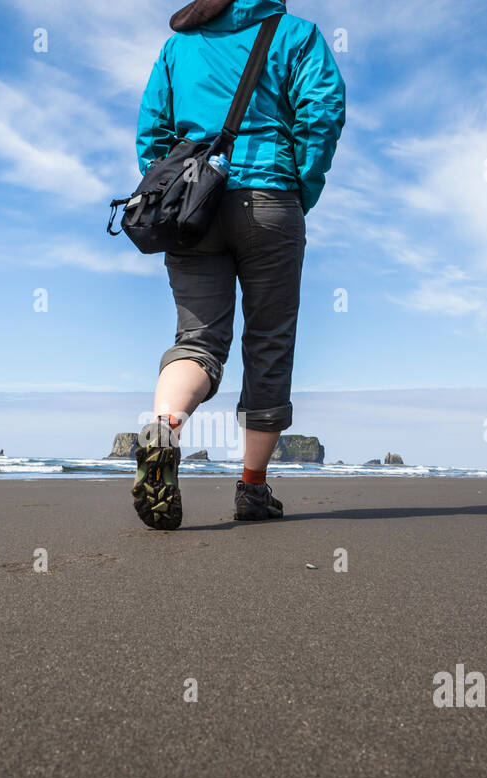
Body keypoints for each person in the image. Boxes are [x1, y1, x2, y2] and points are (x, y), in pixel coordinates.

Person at [130, 0, 345, 530]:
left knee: (197, 339)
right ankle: (252, 490)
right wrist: (300, 187)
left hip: (193, 207)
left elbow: (152, 132)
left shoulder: (179, 45)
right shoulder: (296, 34)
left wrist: (183, 192)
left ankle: (163, 428)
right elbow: (322, 113)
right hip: (271, 197)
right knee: (269, 341)